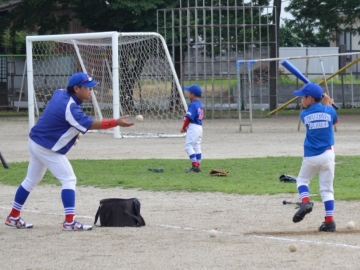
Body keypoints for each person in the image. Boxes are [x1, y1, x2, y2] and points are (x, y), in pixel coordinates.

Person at [5, 72, 134, 231]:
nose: (90, 91)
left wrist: (72, 134)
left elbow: (61, 119)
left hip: (35, 142)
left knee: (31, 180)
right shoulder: (71, 108)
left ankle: (13, 215)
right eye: (87, 88)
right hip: (46, 147)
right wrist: (116, 122)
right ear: (76, 89)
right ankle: (69, 222)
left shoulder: (60, 92)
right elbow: (91, 124)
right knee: (69, 179)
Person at [292, 83, 338, 232]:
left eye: (303, 97)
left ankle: (305, 201)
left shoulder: (304, 114)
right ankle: (329, 220)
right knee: (327, 190)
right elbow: (335, 121)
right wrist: (329, 105)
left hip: (311, 156)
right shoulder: (329, 111)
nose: (301, 101)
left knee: (302, 180)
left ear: (310, 98)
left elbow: (313, 112)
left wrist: (325, 104)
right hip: (328, 155)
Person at [180, 84, 204, 173]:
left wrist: (184, 127)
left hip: (193, 127)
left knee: (188, 146)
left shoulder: (193, 105)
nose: (188, 94)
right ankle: (198, 164)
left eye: (189, 92)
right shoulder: (199, 104)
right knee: (197, 146)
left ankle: (195, 165)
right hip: (199, 127)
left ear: (193, 94)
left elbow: (188, 118)